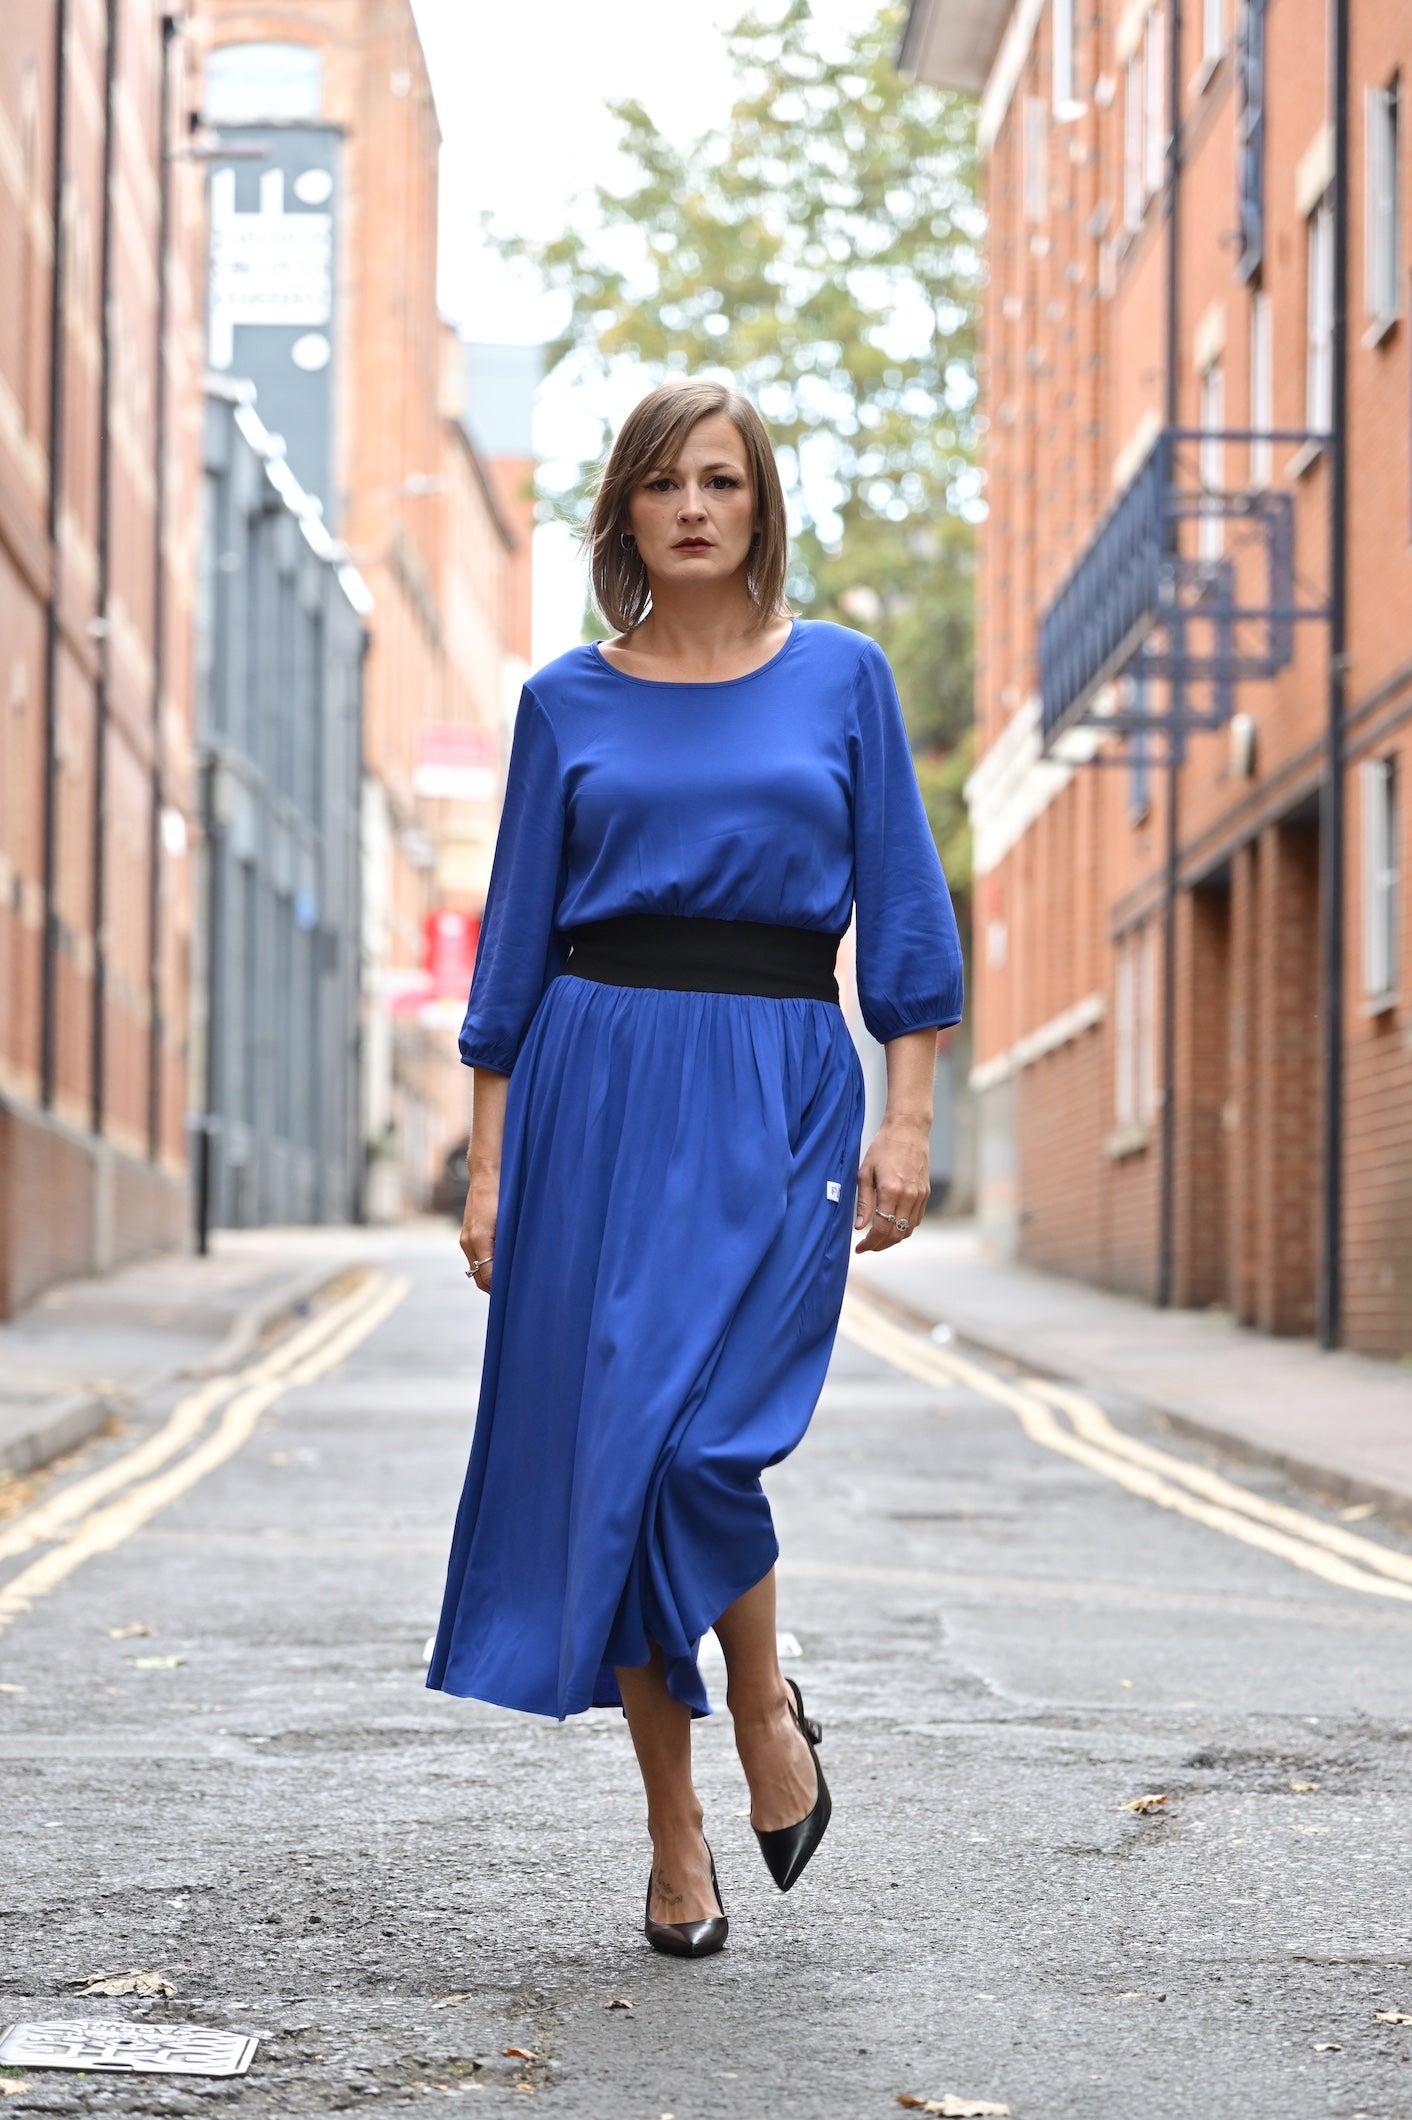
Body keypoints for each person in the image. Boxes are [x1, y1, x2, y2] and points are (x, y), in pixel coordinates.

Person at [427, 376, 963, 1958]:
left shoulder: (844, 678)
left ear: (760, 505)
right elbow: (511, 953)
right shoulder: (565, 704)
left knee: (706, 1447)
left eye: (721, 480)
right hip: (596, 1087)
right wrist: (488, 1172)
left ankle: (764, 1708)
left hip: (782, 1084)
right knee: (621, 1456)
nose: (693, 508)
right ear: (626, 514)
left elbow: (904, 907)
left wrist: (909, 1116)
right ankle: (676, 1833)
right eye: (663, 483)